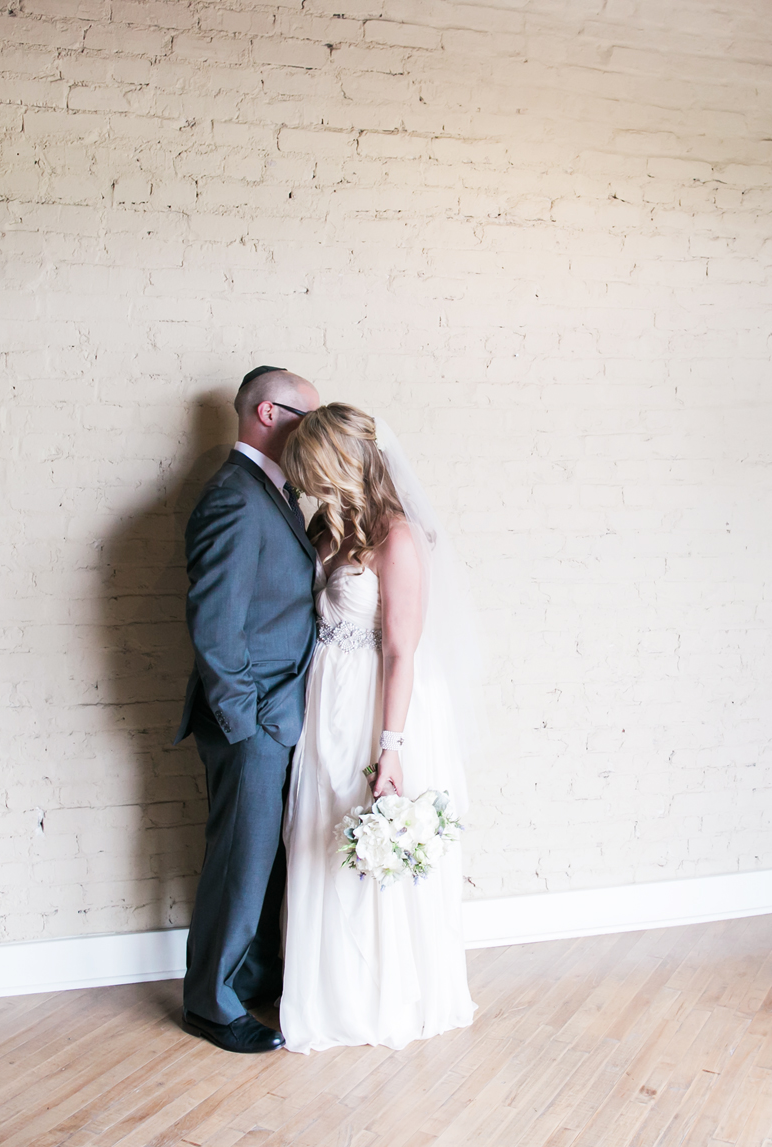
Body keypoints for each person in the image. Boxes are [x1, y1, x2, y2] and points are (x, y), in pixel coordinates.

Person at [276, 403, 478, 1053]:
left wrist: (389, 749)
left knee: (364, 839)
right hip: (326, 704)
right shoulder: (323, 529)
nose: (306, 486)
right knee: (317, 833)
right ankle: (326, 989)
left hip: (377, 707)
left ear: (341, 463)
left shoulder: (396, 537)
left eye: (312, 472)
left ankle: (379, 993)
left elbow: (400, 650)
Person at [175, 365, 319, 1053]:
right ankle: (210, 1003)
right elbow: (214, 625)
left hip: (277, 719)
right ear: (268, 411)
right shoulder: (234, 496)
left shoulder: (275, 494)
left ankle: (252, 976)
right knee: (239, 859)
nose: (313, 431)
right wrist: (245, 724)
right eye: (305, 416)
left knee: (263, 860)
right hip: (251, 722)